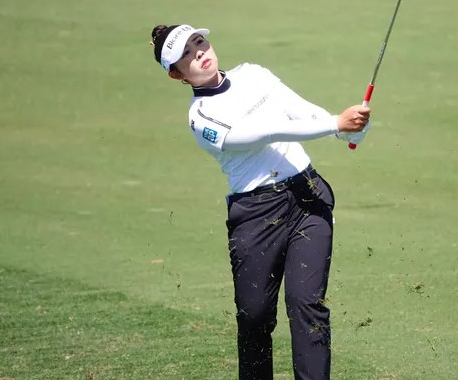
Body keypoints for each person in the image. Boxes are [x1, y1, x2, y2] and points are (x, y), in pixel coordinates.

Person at [149, 23, 371, 380]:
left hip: (307, 199)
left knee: (306, 305)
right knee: (254, 317)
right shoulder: (200, 118)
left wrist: (350, 128)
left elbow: (301, 111)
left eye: (199, 42)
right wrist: (334, 124)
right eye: (186, 54)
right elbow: (264, 132)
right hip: (256, 216)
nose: (199, 53)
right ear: (177, 75)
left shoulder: (253, 74)